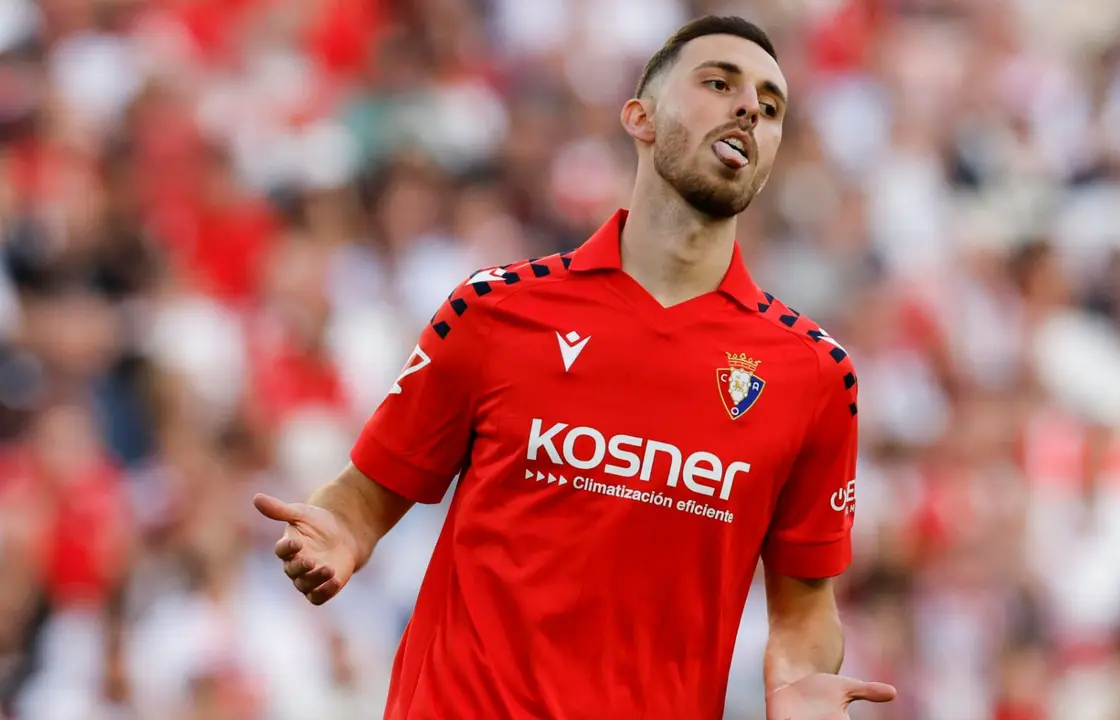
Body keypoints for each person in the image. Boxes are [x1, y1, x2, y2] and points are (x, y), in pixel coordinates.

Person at [253, 15, 897, 720]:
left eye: (770, 107)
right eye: (719, 83)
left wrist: (801, 687)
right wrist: (339, 537)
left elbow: (804, 610)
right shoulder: (494, 310)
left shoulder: (812, 375)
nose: (748, 108)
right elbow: (363, 500)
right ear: (639, 117)